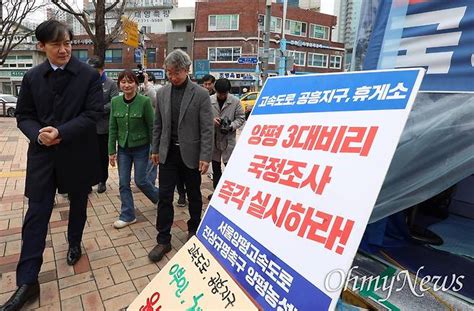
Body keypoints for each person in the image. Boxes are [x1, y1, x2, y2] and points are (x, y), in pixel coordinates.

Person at [1, 20, 103, 310]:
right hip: (42, 157)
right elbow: (23, 116)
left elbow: (94, 113)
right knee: (36, 214)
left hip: (76, 153)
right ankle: (28, 281)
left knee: (78, 204)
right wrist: (38, 134)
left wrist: (62, 132)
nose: (64, 49)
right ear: (42, 46)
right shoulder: (32, 77)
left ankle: (74, 242)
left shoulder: (88, 76)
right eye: (56, 44)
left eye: (68, 43)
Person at [148, 49, 213, 262]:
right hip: (168, 154)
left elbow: (206, 129)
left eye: (176, 73)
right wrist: (154, 149)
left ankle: (194, 230)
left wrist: (205, 155)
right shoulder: (163, 93)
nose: (172, 77)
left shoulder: (201, 94)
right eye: (169, 73)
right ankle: (163, 239)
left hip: (191, 154)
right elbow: (158, 125)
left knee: (194, 194)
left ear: (186, 70)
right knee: (165, 196)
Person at [108, 70, 159, 229]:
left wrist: (154, 150)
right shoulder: (115, 101)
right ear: (119, 85)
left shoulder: (144, 102)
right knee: (123, 183)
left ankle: (159, 198)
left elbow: (152, 127)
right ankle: (128, 215)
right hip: (123, 149)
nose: (126, 85)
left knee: (141, 180)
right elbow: (113, 128)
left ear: (136, 84)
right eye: (123, 82)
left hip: (142, 148)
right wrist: (111, 151)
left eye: (130, 82)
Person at [87, 56, 119, 194]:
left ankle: (102, 180)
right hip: (88, 127)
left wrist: (98, 109)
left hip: (103, 127)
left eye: (95, 71)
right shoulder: (85, 83)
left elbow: (114, 102)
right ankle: (88, 181)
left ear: (102, 70)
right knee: (88, 156)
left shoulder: (110, 84)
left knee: (102, 155)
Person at [208, 78, 245, 200]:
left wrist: (231, 126)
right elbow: (203, 116)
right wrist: (211, 121)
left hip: (228, 139)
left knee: (229, 168)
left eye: (224, 93)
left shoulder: (235, 101)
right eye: (219, 93)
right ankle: (216, 192)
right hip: (214, 139)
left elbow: (241, 118)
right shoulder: (209, 100)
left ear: (228, 91)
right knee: (216, 168)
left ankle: (231, 193)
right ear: (215, 90)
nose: (222, 96)